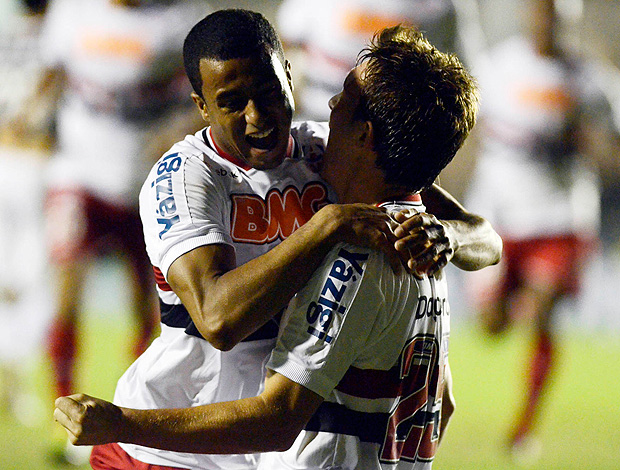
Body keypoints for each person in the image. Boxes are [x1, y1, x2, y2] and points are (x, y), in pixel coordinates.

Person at [57, 9, 500, 470]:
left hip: (261, 444)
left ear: (289, 75)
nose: (257, 117)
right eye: (231, 102)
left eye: (269, 93)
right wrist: (324, 227)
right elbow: (218, 318)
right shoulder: (185, 177)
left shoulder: (330, 150)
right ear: (202, 106)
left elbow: (485, 238)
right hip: (169, 448)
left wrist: (444, 234)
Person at [36, 0, 211, 462]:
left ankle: (132, 415)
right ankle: (62, 414)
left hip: (146, 183)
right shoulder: (72, 11)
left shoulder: (181, 20)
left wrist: (179, 129)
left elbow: (207, 95)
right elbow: (51, 77)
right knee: (66, 294)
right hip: (78, 175)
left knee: (149, 308)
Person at [464, 0, 620, 458]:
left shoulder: (591, 79)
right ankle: (510, 304)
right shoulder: (500, 68)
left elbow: (611, 150)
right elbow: (469, 124)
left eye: (555, 16)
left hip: (561, 216)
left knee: (544, 308)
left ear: (566, 21)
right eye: (540, 14)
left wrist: (590, 145)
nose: (546, 24)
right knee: (491, 326)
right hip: (502, 213)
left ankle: (524, 426)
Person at [276, 0, 486, 121]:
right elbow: (283, 41)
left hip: (391, 130)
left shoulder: (442, 6)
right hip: (316, 114)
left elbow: (464, 72)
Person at [0, 0, 53, 427]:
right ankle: (16, 386)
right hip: (37, 163)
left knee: (11, 282)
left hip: (5, 159)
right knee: (33, 284)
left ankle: (11, 385)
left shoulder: (6, 30)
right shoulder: (64, 32)